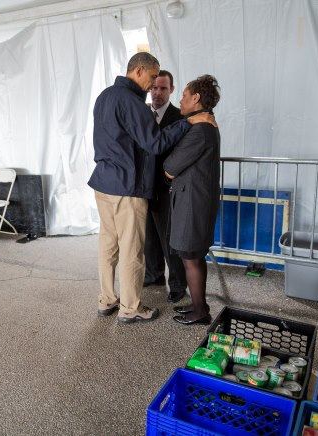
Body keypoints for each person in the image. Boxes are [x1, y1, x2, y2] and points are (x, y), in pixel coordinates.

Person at [89, 53, 213, 324]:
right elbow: (155, 144)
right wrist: (188, 122)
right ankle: (130, 308)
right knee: (132, 249)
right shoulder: (133, 102)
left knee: (107, 246)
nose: (153, 83)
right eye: (153, 76)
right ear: (140, 71)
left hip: (103, 183)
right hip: (126, 186)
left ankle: (107, 299)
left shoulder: (104, 96)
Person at [163, 74, 221, 325]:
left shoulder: (200, 131)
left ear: (196, 98)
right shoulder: (205, 127)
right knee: (195, 257)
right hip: (195, 200)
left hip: (193, 204)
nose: (181, 100)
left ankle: (200, 312)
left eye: (184, 96)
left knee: (190, 258)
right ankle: (200, 306)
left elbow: (170, 167)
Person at [143, 70, 188, 305]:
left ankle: (179, 285)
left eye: (162, 88)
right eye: (154, 88)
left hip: (167, 188)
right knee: (148, 236)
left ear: (171, 89)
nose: (157, 92)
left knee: (170, 240)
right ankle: (154, 275)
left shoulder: (180, 117)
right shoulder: (142, 114)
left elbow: (181, 154)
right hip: (144, 188)